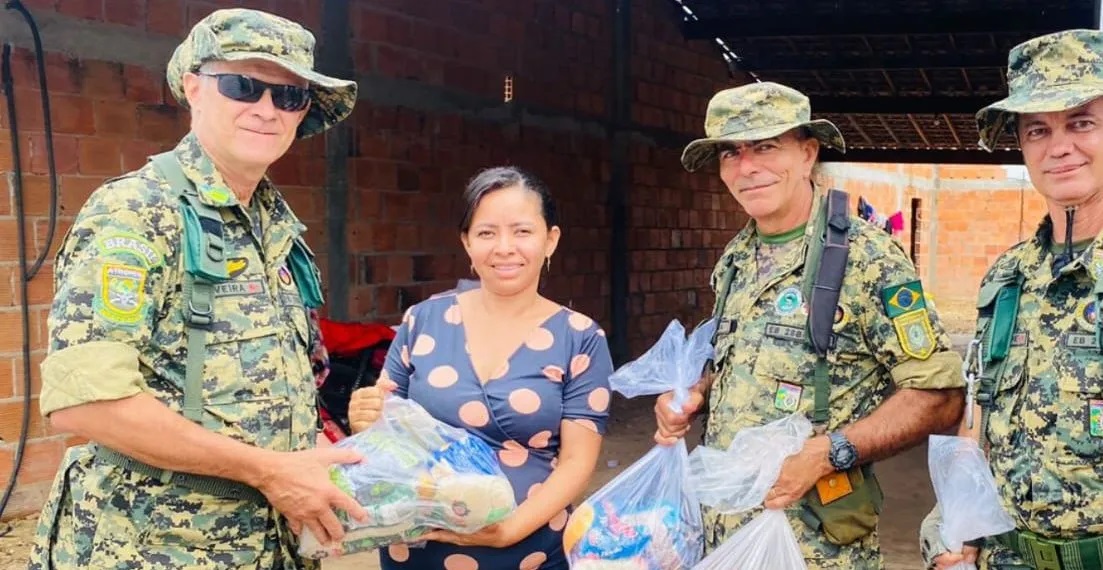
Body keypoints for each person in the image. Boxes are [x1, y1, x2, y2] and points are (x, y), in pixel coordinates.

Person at [28, 8, 364, 569]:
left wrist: (317, 458)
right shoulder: (138, 213)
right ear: (194, 88)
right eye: (242, 86)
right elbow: (85, 404)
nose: (266, 110)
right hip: (155, 547)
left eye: (288, 97)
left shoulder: (273, 227)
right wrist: (271, 471)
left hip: (267, 544)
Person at [653, 82, 966, 569]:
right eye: (730, 152)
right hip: (722, 538)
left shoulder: (866, 258)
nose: (747, 166)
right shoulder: (737, 257)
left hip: (815, 548)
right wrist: (697, 392)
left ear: (807, 153)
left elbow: (939, 396)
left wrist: (830, 452)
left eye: (765, 146)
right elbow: (742, 361)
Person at [347, 166, 613, 570]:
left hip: (530, 552)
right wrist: (365, 420)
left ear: (550, 240)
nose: (504, 247)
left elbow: (577, 461)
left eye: (522, 231)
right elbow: (386, 429)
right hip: (418, 549)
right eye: (487, 233)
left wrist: (508, 531)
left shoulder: (581, 338)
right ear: (467, 243)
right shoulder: (423, 321)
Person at [921, 28, 1103, 570]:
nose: (1059, 146)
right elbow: (981, 412)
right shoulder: (1009, 275)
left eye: (1082, 122)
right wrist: (954, 526)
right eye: (1037, 129)